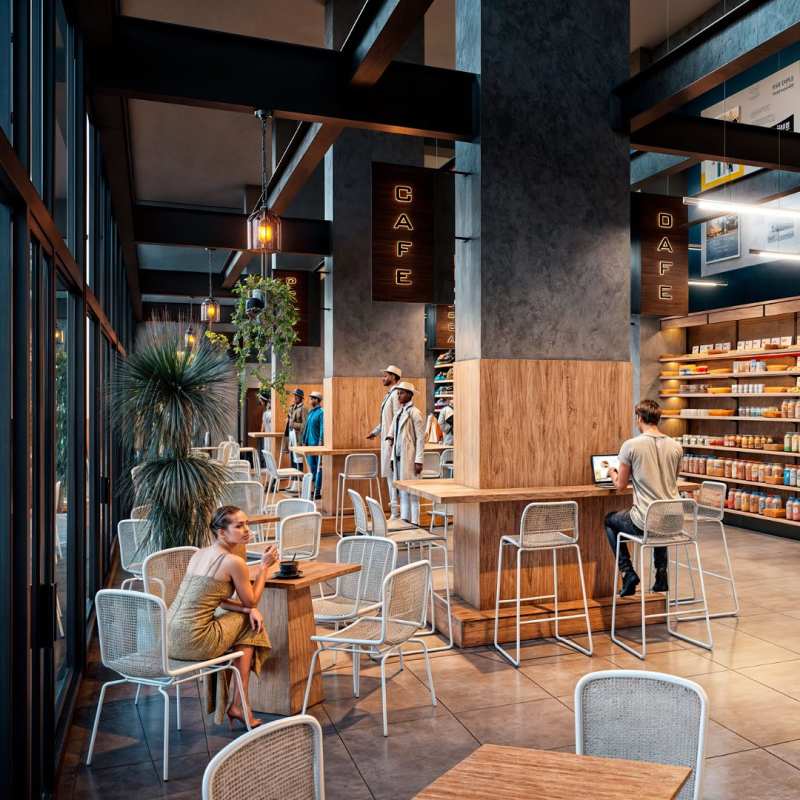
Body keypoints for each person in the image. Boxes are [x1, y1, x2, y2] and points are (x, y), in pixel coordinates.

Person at [168, 506, 278, 728]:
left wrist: (247, 610)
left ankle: (238, 703)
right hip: (194, 641)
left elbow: (214, 599)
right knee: (251, 623)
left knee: (246, 616)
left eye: (247, 523)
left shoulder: (199, 554)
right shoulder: (233, 562)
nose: (246, 530)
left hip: (168, 638)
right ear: (221, 532)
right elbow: (252, 600)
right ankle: (239, 704)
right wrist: (264, 567)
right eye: (239, 526)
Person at [604, 399, 683, 598]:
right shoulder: (676, 446)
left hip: (645, 521)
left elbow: (621, 485)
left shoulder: (631, 445)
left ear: (639, 418)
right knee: (660, 514)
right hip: (675, 520)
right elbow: (672, 479)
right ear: (658, 419)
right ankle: (661, 576)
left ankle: (628, 573)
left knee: (610, 520)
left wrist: (611, 472)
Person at [366, 365, 403, 518]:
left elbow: (397, 418)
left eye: (386, 375)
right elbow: (386, 420)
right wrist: (375, 432)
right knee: (389, 475)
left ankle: (396, 512)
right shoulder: (389, 395)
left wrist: (391, 437)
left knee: (392, 475)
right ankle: (395, 510)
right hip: (386, 440)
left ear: (393, 377)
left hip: (391, 442)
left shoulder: (396, 395)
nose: (383, 378)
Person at [387, 381, 425, 525]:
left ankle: (415, 524)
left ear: (409, 394)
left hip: (410, 458)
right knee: (402, 492)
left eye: (401, 393)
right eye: (398, 393)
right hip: (399, 458)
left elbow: (420, 439)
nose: (398, 396)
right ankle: (404, 522)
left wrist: (419, 460)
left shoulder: (415, 413)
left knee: (413, 494)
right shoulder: (399, 413)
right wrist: (392, 458)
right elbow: (395, 438)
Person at [302, 391, 324, 499]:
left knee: (319, 468)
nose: (310, 400)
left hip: (317, 445)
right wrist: (304, 440)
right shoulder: (311, 413)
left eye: (312, 398)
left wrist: (320, 441)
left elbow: (322, 428)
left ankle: (317, 491)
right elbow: (307, 428)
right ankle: (313, 489)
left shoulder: (321, 412)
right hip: (310, 445)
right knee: (312, 468)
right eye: (310, 398)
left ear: (317, 400)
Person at [285, 388, 307, 471]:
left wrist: (293, 424)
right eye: (295, 395)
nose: (295, 397)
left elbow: (304, 425)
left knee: (298, 457)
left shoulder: (303, 408)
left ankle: (299, 476)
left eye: (297, 396)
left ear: (301, 397)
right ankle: (293, 476)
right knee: (292, 455)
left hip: (298, 436)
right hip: (291, 434)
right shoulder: (292, 407)